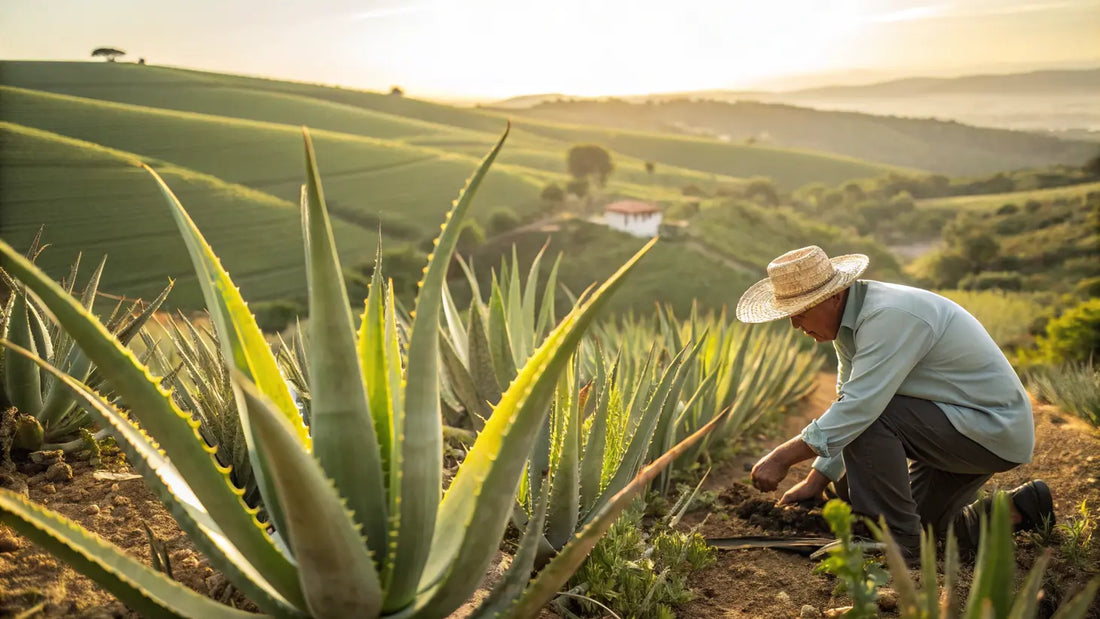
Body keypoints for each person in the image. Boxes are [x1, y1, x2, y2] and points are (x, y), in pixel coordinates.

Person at [736, 245, 1052, 557]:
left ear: (833, 297)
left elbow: (859, 409)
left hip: (989, 428)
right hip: (960, 427)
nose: (795, 325)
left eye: (801, 313)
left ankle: (896, 543)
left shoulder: (887, 317)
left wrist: (781, 457)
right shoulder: (850, 325)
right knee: (918, 525)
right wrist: (816, 480)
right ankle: (1020, 507)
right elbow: (848, 401)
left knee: (887, 515)